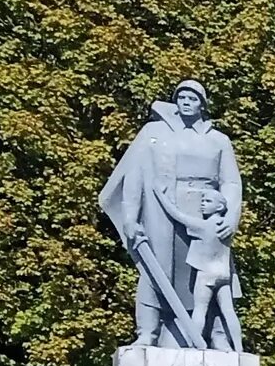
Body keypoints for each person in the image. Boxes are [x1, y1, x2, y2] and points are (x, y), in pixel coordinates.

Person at [97, 79, 243, 348]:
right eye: (181, 98)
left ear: (203, 105)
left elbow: (231, 182)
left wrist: (231, 218)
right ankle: (148, 332)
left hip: (206, 216)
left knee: (213, 274)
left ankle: (218, 336)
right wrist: (131, 218)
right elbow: (135, 177)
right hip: (161, 212)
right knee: (155, 270)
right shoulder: (154, 132)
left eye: (192, 99)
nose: (186, 103)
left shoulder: (218, 140)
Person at [186, 189, 240, 349]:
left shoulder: (204, 225)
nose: (202, 204)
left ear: (219, 207)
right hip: (224, 274)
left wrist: (161, 196)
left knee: (199, 310)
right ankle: (239, 347)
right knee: (229, 311)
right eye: (203, 200)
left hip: (206, 274)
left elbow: (177, 215)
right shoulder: (226, 227)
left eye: (208, 201)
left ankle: (193, 345)